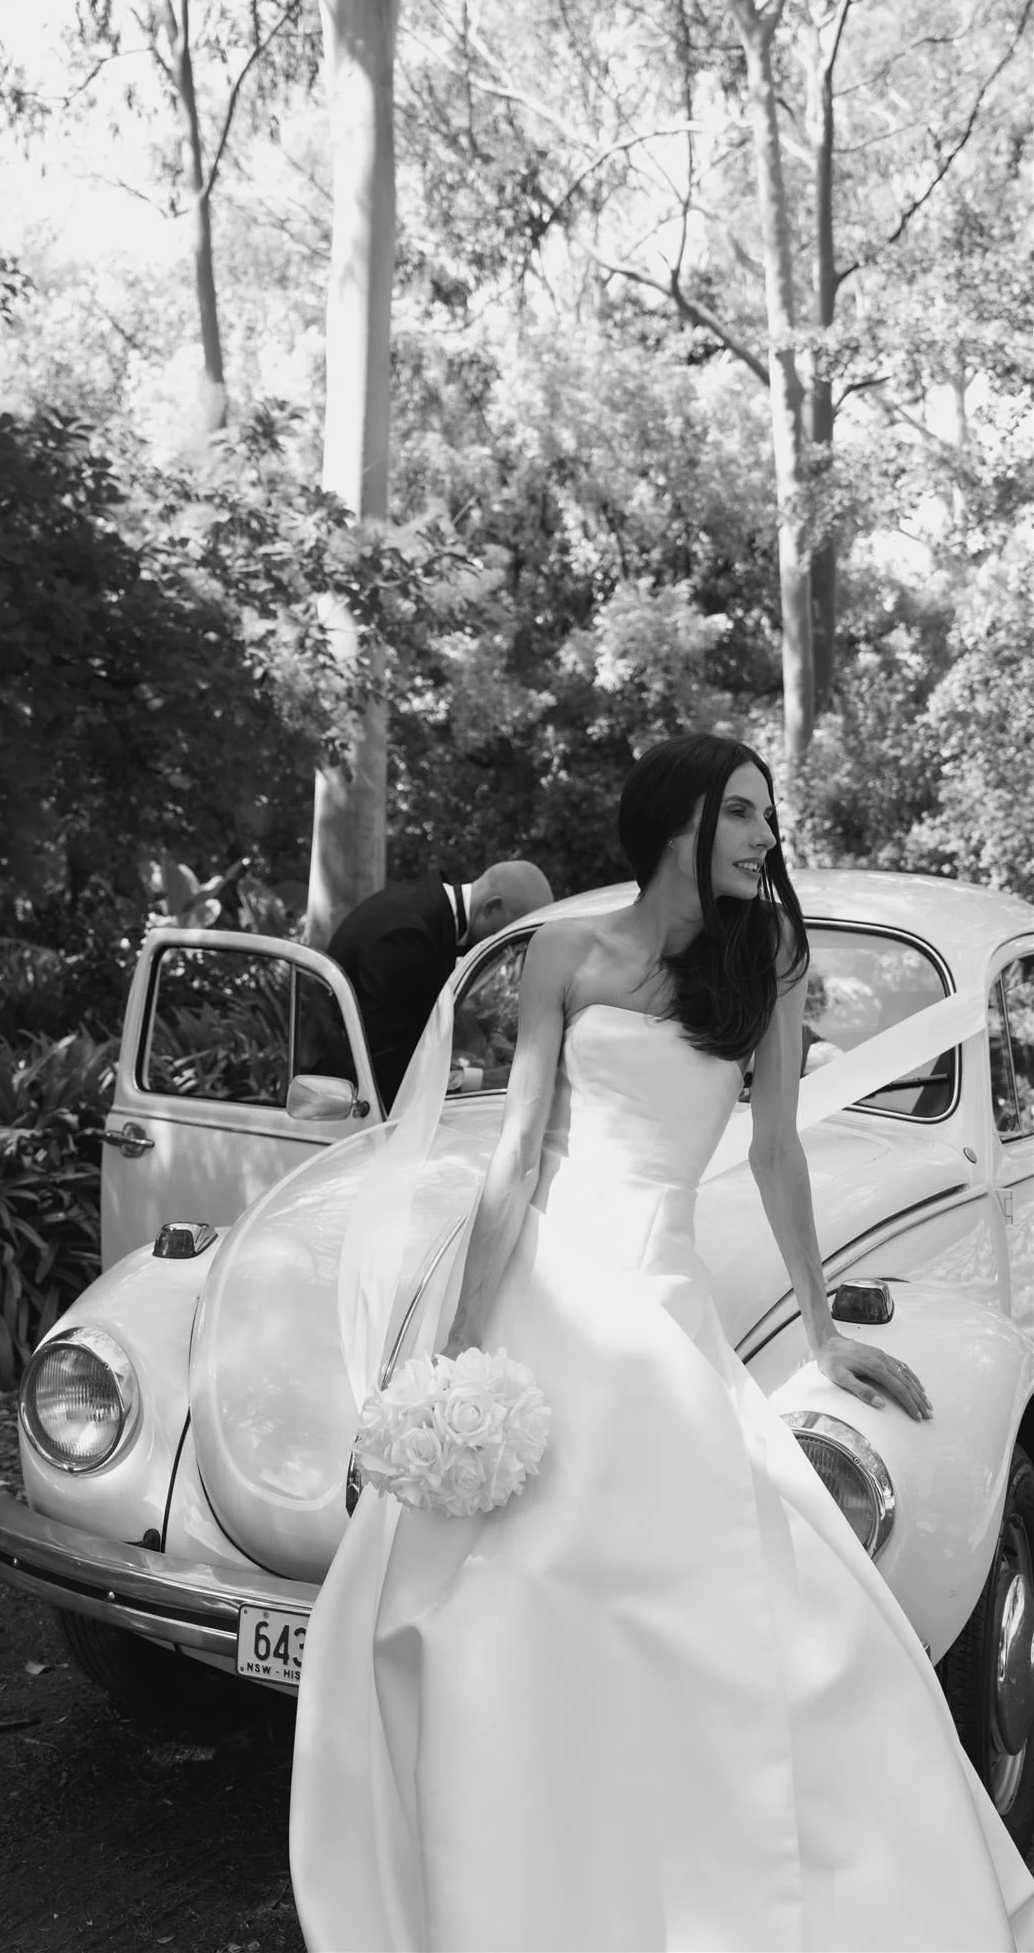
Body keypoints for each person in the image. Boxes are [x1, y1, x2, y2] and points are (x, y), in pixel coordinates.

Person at [290, 733, 1034, 1953]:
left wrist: (822, 1326)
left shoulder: (768, 958)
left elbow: (782, 1151)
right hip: (546, 1282)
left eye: (768, 817)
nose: (763, 837)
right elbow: (516, 1154)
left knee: (705, 1600)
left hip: (659, 1298)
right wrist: (456, 1350)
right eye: (742, 812)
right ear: (676, 819)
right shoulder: (566, 952)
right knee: (479, 1601)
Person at [327, 862, 554, 1107]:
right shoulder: (410, 939)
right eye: (509, 936)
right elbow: (393, 1060)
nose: (510, 953)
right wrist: (477, 1080)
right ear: (491, 908)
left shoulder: (425, 911)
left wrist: (492, 1036)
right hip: (343, 1097)